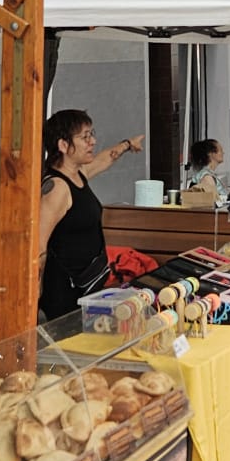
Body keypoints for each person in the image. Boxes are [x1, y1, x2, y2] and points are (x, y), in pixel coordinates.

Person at [36, 110, 144, 320]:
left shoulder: (78, 174)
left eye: (91, 134)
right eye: (85, 137)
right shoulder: (57, 188)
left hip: (88, 283)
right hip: (65, 292)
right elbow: (39, 244)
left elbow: (104, 159)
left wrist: (127, 145)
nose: (92, 141)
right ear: (63, 145)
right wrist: (35, 289)